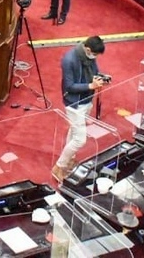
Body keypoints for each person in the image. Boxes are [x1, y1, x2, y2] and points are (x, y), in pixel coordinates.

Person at [52, 36, 107, 181]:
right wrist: (91, 86)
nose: (95, 57)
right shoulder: (69, 60)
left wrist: (101, 78)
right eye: (94, 54)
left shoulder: (89, 56)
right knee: (79, 140)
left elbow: (94, 71)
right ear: (88, 49)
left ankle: (70, 158)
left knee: (74, 131)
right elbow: (69, 86)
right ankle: (58, 167)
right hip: (75, 104)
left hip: (87, 100)